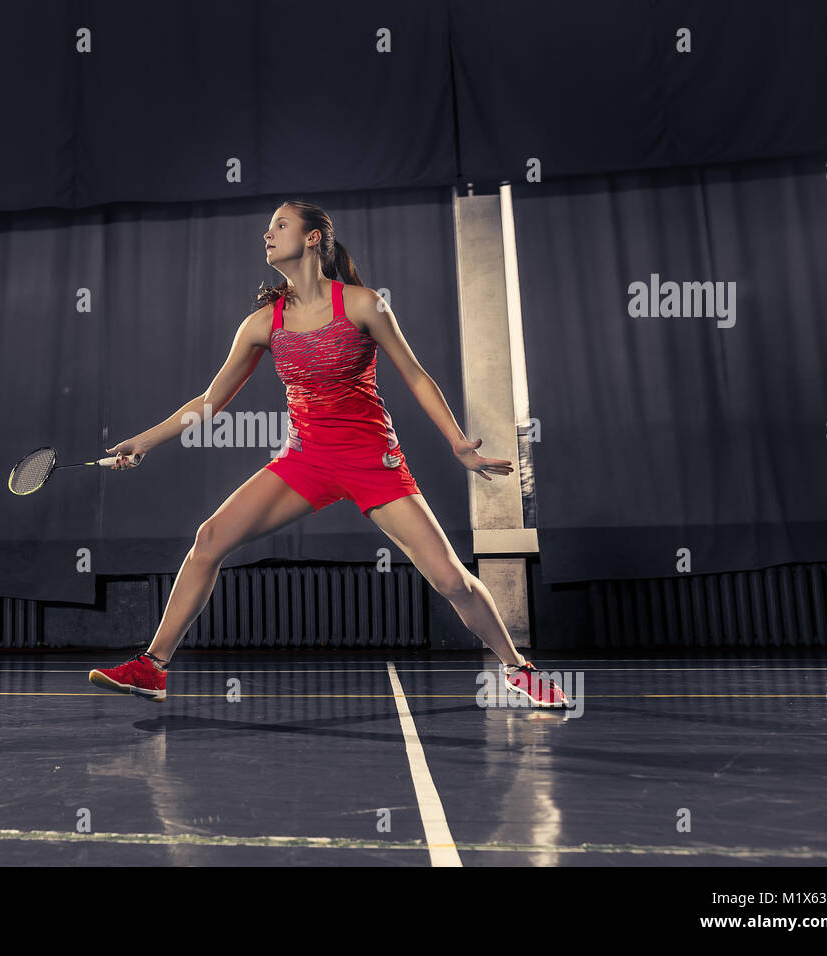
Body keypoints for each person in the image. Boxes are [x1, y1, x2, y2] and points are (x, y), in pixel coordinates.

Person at [90, 200, 568, 708]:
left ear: (315, 237)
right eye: (268, 228)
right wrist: (143, 441)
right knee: (209, 539)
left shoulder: (362, 305)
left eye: (280, 225)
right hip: (305, 461)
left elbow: (415, 374)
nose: (268, 234)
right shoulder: (261, 324)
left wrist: (457, 443)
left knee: (451, 578)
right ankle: (153, 667)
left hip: (371, 461)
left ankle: (519, 669)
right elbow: (209, 403)